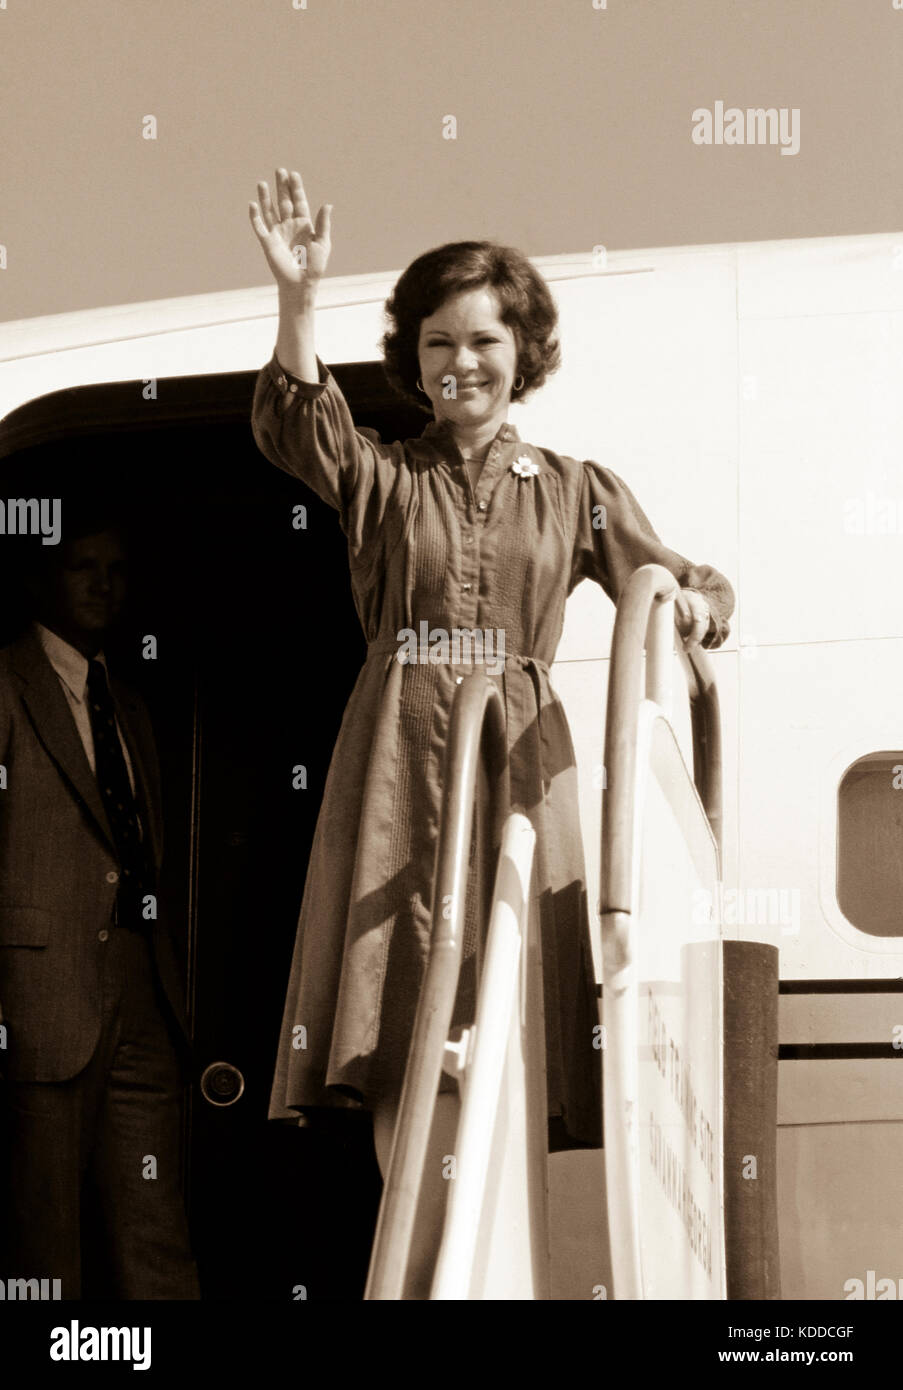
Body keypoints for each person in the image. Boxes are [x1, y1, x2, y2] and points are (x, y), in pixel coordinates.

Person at [249, 169, 734, 1296]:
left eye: (482, 340)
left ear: (525, 351)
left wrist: (701, 602)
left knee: (501, 1017)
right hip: (396, 756)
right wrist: (297, 301)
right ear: (410, 360)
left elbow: (673, 577)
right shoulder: (384, 476)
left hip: (517, 756)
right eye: (434, 345)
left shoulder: (572, 490)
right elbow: (294, 427)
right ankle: (422, 1271)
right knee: (403, 1033)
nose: (459, 365)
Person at [0, 516, 199, 1299]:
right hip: (39, 997)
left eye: (116, 568)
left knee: (154, 1221)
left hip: (140, 987)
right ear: (44, 579)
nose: (102, 584)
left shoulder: (129, 705)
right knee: (43, 1235)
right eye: (83, 565)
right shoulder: (5, 683)